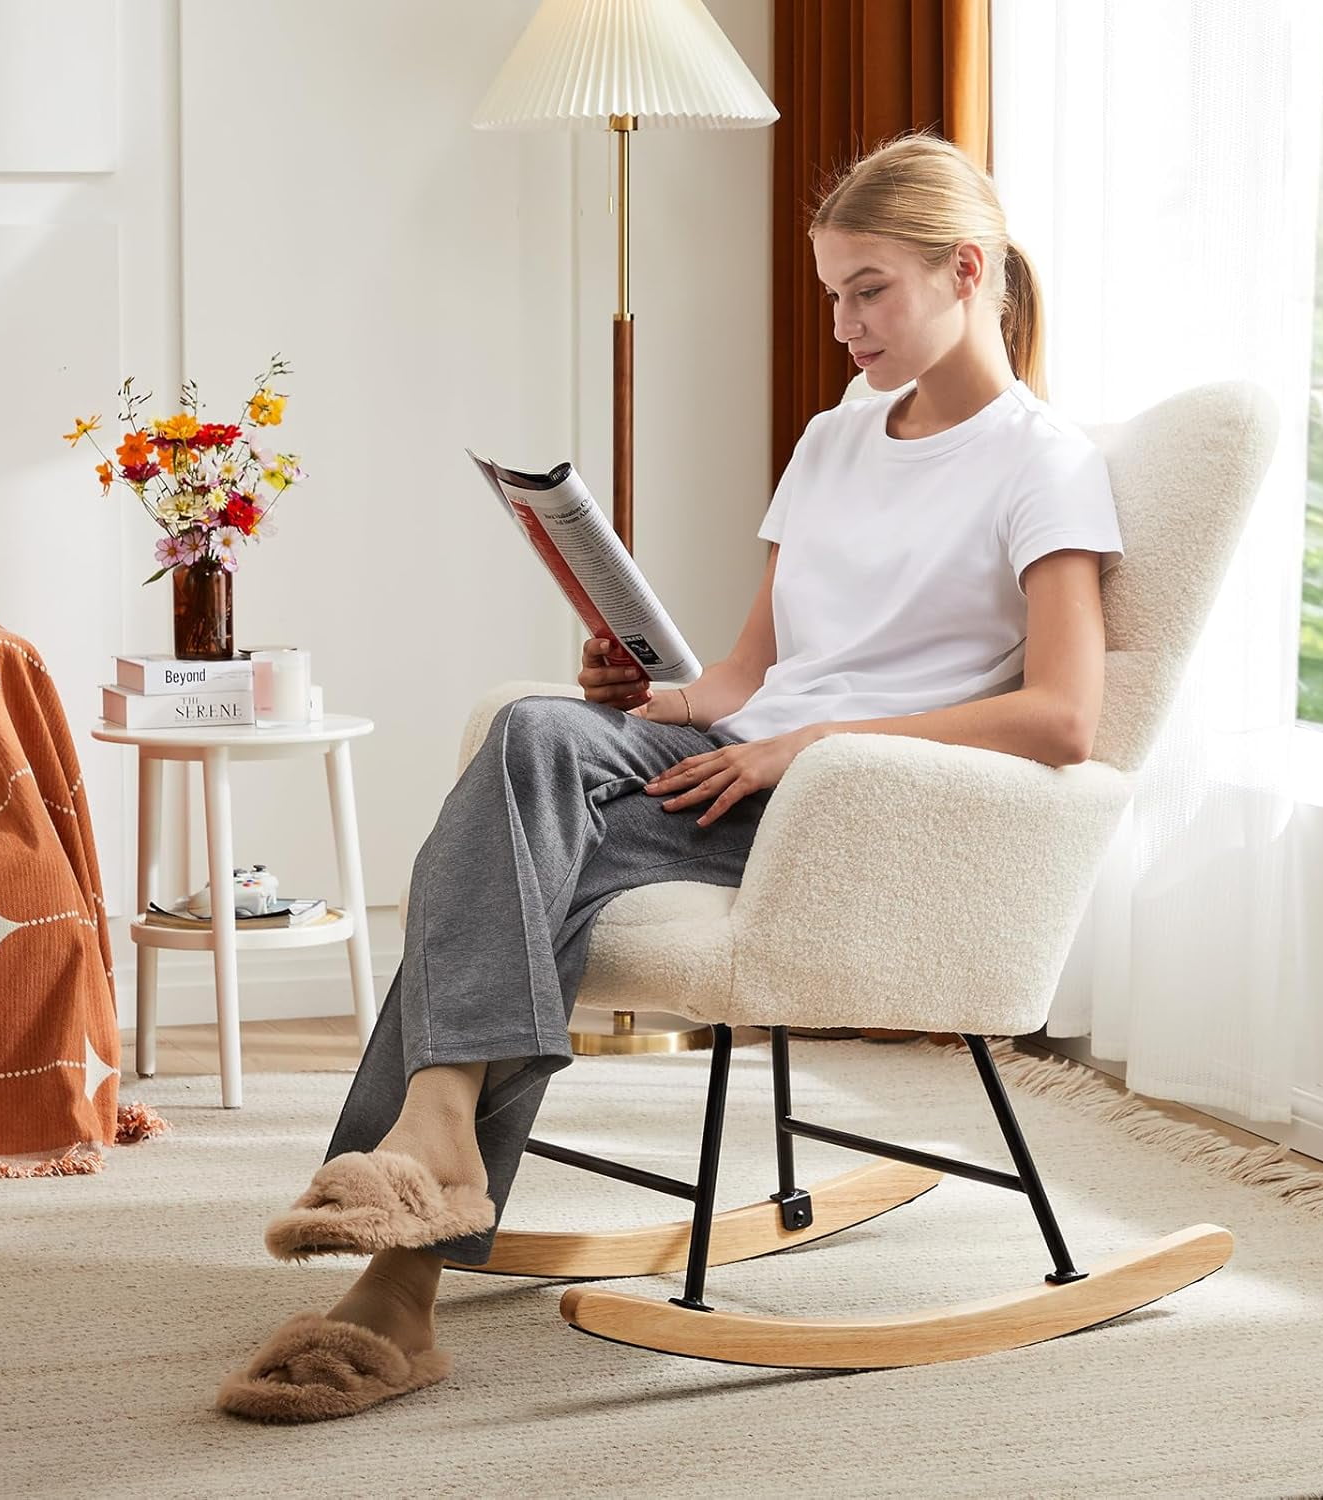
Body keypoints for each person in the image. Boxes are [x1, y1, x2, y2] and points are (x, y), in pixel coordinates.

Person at [216, 130, 1124, 1422]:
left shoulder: (1044, 462)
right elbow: (747, 676)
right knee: (535, 734)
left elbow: (1062, 716)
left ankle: (398, 1287)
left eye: (870, 289)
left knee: (530, 880)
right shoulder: (831, 438)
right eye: (831, 292)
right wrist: (646, 694)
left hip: (847, 804)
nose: (844, 322)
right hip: (734, 763)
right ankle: (430, 1132)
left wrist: (808, 747)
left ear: (964, 270)